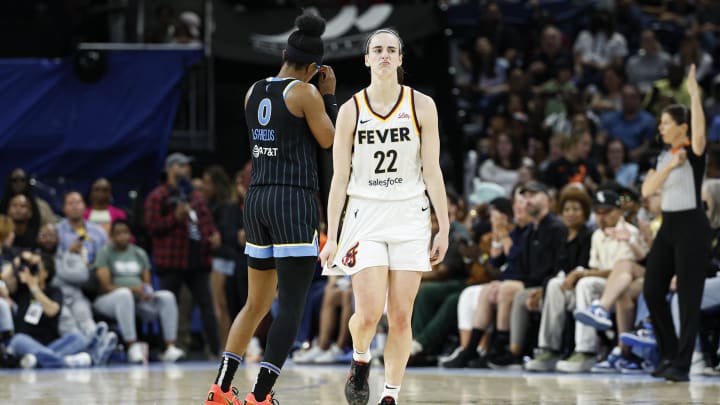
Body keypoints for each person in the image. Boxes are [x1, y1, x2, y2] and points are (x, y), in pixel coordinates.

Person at [204, 12, 336, 405]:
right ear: (314, 67)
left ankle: (222, 387)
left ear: (283, 52)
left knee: (255, 303)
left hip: (256, 197)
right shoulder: (306, 93)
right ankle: (261, 395)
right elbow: (328, 140)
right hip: (292, 200)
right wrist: (328, 95)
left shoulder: (253, 90)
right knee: (292, 305)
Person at [319, 28, 449, 405]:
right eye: (377, 50)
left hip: (410, 215)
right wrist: (332, 235)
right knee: (368, 313)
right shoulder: (350, 110)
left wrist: (444, 227)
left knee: (401, 316)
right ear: (366, 59)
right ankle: (360, 359)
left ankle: (390, 395)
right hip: (366, 215)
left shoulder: (422, 105)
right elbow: (339, 178)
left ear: (401, 59)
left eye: (392, 50)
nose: (385, 55)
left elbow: (433, 170)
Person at [641, 64, 711, 382]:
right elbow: (647, 190)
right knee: (652, 289)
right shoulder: (664, 157)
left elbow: (699, 137)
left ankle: (682, 364)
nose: (661, 127)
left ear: (681, 127)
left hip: (692, 228)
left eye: (667, 122)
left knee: (688, 296)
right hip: (667, 227)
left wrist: (694, 95)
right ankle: (669, 352)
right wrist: (670, 166)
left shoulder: (694, 153)